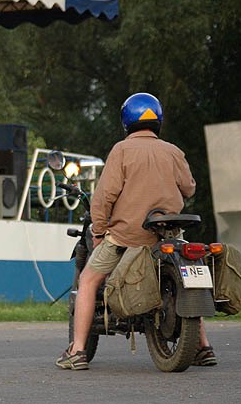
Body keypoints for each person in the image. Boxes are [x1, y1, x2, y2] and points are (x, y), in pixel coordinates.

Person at [55, 92, 217, 370]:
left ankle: (78, 351)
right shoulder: (173, 151)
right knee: (189, 277)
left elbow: (105, 195)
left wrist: (99, 229)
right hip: (169, 234)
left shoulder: (121, 150)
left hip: (127, 237)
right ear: (158, 121)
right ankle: (202, 347)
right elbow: (189, 188)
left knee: (90, 279)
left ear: (126, 121)